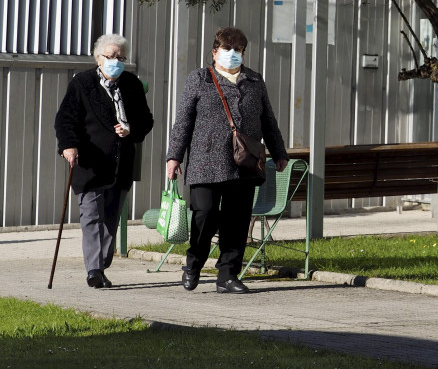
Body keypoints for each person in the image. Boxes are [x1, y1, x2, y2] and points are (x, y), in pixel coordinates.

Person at [166, 27, 289, 294]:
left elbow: (268, 120)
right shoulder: (200, 78)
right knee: (205, 214)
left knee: (237, 220)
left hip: (244, 162)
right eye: (227, 49)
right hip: (205, 161)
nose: (233, 54)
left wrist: (279, 152)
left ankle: (228, 275)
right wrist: (174, 156)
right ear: (215, 52)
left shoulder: (254, 81)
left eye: (238, 50)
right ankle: (193, 264)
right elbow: (184, 120)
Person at [55, 33, 154, 289]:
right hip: (90, 162)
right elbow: (66, 119)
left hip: (121, 163)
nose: (115, 61)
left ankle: (100, 263)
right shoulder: (83, 83)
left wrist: (130, 129)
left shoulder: (131, 84)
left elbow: (146, 120)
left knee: (110, 218)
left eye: (120, 57)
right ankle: (94, 270)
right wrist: (68, 146)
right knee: (91, 215)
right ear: (98, 58)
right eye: (110, 56)